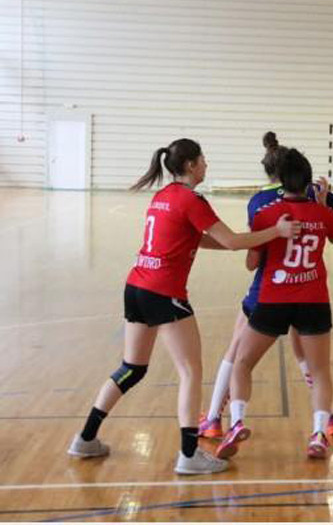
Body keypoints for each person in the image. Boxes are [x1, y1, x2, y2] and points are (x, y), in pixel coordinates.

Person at [67, 138, 302, 475]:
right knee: (191, 371)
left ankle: (85, 437)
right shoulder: (192, 200)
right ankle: (189, 455)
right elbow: (233, 241)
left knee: (132, 368)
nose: (206, 164)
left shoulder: (163, 196)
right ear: (191, 165)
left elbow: (197, 238)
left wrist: (243, 241)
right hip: (165, 292)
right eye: (203, 159)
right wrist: (276, 232)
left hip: (136, 287)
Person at [199, 132, 333, 441]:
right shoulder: (320, 195)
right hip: (309, 290)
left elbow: (252, 256)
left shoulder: (259, 203)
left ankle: (213, 419)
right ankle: (325, 418)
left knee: (237, 354)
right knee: (309, 354)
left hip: (269, 289)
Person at [215, 149, 333, 460]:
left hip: (273, 299)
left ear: (279, 181)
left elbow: (251, 263)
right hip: (313, 299)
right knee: (320, 371)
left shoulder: (266, 215)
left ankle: (236, 422)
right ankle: (318, 434)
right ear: (308, 181)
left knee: (243, 363)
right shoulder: (323, 213)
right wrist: (321, 206)